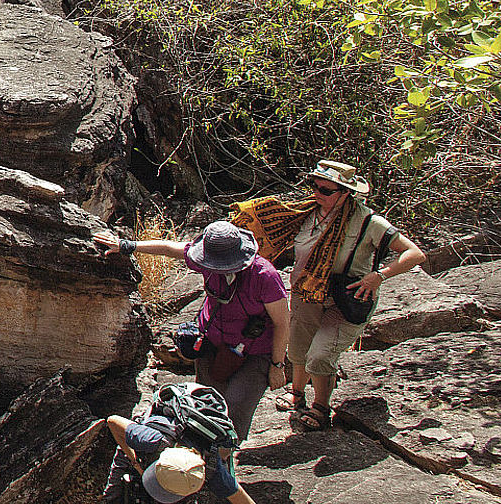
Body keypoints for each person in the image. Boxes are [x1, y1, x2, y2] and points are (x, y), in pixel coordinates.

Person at [230, 159, 427, 432]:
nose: (317, 193)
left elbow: (415, 253)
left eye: (325, 190)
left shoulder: (369, 222)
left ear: (346, 193)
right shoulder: (304, 212)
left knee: (320, 355)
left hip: (346, 299)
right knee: (297, 348)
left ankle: (321, 407)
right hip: (307, 291)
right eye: (314, 186)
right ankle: (297, 393)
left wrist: (379, 276)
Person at [93, 221, 290, 440]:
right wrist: (127, 245)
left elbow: (282, 323)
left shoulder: (264, 276)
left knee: (235, 407)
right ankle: (204, 455)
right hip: (212, 345)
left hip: (255, 351)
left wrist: (277, 365)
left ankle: (225, 453)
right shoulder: (206, 258)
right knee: (206, 406)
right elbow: (169, 248)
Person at [101, 382, 257, 504]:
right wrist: (134, 461)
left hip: (203, 409)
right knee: (114, 495)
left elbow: (239, 497)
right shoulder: (150, 440)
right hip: (173, 407)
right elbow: (113, 421)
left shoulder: (212, 469)